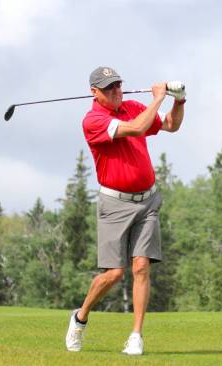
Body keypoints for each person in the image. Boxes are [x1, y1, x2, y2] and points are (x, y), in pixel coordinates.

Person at [65, 66, 185, 355]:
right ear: (95, 93)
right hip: (114, 204)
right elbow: (137, 128)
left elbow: (170, 125)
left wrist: (178, 101)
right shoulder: (93, 120)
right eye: (109, 88)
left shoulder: (132, 106)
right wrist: (158, 97)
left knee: (141, 266)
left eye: (118, 85)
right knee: (114, 273)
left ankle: (136, 336)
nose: (117, 91)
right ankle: (80, 317)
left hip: (147, 202)